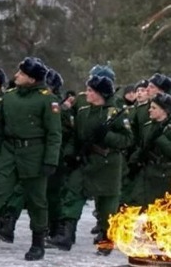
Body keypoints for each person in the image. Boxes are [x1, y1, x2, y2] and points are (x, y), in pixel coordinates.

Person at [0, 57, 61, 261]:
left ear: (32, 78)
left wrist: (50, 160)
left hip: (34, 154)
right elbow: (0, 128)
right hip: (9, 151)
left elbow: (54, 134)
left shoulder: (47, 99)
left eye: (21, 73)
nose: (16, 76)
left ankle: (38, 242)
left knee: (36, 200)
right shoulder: (10, 97)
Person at [49, 73, 132, 254]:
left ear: (100, 94)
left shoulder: (115, 112)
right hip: (85, 161)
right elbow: (75, 137)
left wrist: (107, 136)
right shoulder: (83, 111)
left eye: (90, 90)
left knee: (106, 206)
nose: (86, 93)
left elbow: (127, 140)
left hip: (107, 164)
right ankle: (66, 235)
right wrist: (70, 154)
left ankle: (106, 240)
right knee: (73, 194)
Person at [128, 92, 171, 208]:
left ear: (164, 110)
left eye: (154, 108)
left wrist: (160, 138)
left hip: (165, 175)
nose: (149, 110)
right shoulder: (147, 126)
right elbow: (142, 146)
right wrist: (133, 162)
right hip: (147, 173)